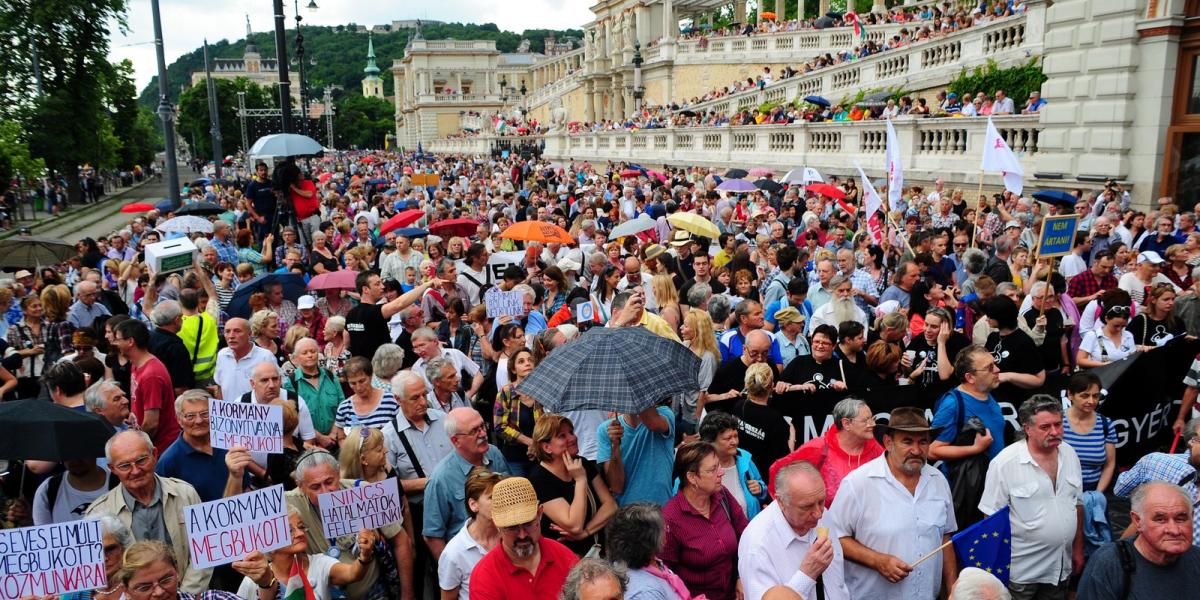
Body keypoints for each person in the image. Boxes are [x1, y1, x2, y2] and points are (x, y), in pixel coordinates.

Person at [827, 407, 958, 599]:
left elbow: (945, 539)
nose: (916, 450)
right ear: (888, 442)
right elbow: (834, 538)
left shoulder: (938, 480)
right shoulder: (858, 483)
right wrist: (877, 561)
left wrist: (953, 589)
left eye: (923, 442)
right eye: (907, 441)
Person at [978, 395, 1084, 599]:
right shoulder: (1004, 464)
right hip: (1020, 574)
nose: (1054, 432)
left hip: (1060, 569)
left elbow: (1077, 504)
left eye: (1058, 425)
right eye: (1046, 427)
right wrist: (996, 570)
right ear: (1027, 428)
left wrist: (1078, 548)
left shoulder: (1070, 454)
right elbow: (991, 522)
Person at [86, 430, 211, 592]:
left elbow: (203, 552)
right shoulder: (98, 513)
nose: (136, 470)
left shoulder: (185, 494)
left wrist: (185, 595)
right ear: (112, 468)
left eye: (141, 460)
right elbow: (101, 571)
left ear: (154, 455)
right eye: (125, 466)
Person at [283, 449, 415, 600]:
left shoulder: (363, 491)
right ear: (300, 485)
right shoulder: (289, 502)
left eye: (329, 482)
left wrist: (408, 594)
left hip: (372, 591)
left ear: (338, 474)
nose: (325, 491)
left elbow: (401, 541)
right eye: (315, 487)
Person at [738, 461, 851, 600]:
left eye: (821, 502)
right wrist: (806, 575)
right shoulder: (757, 545)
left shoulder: (823, 515)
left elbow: (837, 583)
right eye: (806, 507)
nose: (818, 514)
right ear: (781, 502)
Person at [1077, 482, 1200, 599]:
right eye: (1160, 519)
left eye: (1181, 519)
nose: (1174, 530)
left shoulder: (1196, 559)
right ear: (1137, 521)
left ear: (1192, 517)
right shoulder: (1109, 564)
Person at [661, 440, 749, 600]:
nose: (721, 472)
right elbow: (665, 575)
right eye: (713, 469)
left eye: (719, 466)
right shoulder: (670, 519)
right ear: (692, 477)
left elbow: (747, 535)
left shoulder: (723, 496)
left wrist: (741, 576)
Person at [467, 476, 580, 599]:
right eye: (512, 527)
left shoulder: (565, 557)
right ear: (496, 524)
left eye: (528, 524)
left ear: (540, 514)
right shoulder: (485, 577)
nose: (522, 535)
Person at [423, 407, 512, 561]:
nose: (483, 434)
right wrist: (453, 571)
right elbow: (432, 536)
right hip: (472, 561)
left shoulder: (495, 454)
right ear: (455, 440)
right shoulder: (440, 479)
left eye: (482, 426)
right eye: (474, 431)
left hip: (506, 550)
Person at [234, 506, 374, 600]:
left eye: (301, 527)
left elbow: (353, 573)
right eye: (290, 531)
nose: (300, 533)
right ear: (270, 543)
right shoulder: (253, 581)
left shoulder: (319, 563)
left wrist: (365, 555)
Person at [529, 413, 618, 556]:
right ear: (547, 447)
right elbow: (574, 525)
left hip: (599, 553)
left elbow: (611, 505)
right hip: (568, 562)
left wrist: (586, 532)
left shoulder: (582, 463)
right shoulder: (539, 479)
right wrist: (581, 480)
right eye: (562, 436)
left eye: (571, 432)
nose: (573, 438)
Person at [769, 397, 883, 506]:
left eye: (872, 419)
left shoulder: (877, 449)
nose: (872, 425)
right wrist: (784, 506)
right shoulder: (819, 448)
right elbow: (780, 471)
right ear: (846, 424)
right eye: (866, 420)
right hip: (825, 522)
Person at [113, 319, 180, 455]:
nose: (115, 343)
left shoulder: (151, 375)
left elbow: (151, 423)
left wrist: (136, 447)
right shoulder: (136, 365)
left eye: (118, 339)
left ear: (130, 341)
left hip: (160, 448)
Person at [154, 390, 233, 503]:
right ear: (179, 420)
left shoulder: (228, 443)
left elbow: (245, 487)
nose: (199, 421)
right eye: (190, 416)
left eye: (205, 414)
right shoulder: (168, 462)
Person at [438, 467, 504, 600]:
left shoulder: (512, 535)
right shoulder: (453, 553)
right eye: (492, 497)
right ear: (473, 505)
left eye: (501, 496)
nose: (500, 501)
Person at [596, 402, 675, 507]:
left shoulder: (665, 413)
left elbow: (653, 423)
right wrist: (615, 445)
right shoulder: (607, 429)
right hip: (627, 514)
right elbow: (616, 487)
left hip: (661, 509)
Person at [346, 271, 435, 360]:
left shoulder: (350, 314)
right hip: (379, 369)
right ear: (365, 289)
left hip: (361, 369)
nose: (382, 286)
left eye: (381, 283)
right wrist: (427, 285)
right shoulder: (373, 311)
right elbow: (399, 304)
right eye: (377, 284)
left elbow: (346, 343)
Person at [698, 411, 768, 519]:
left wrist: (760, 488)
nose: (734, 442)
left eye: (736, 436)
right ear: (710, 442)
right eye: (727, 438)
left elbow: (761, 485)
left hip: (747, 531)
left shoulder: (745, 459)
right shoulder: (696, 468)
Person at [1061, 371, 1117, 493]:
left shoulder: (1105, 424)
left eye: (1096, 396)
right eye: (1085, 396)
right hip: (1060, 490)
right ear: (1070, 394)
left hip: (1093, 489)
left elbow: (1109, 464)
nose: (1091, 401)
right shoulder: (1057, 422)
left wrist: (1097, 494)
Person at [58, 515, 134, 600]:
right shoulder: (71, 596)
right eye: (94, 551)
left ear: (123, 548)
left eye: (110, 549)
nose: (104, 558)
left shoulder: (139, 584)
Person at [332, 357, 399, 443]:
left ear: (371, 377)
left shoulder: (391, 401)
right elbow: (341, 438)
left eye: (362, 381)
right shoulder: (344, 408)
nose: (358, 387)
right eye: (353, 383)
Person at [677, 308, 721, 434]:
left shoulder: (707, 357)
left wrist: (697, 419)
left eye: (686, 326)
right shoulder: (685, 345)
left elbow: (703, 392)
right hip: (679, 407)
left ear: (697, 330)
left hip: (692, 413)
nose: (681, 328)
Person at [213, 317, 277, 402]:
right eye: (227, 331)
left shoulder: (265, 356)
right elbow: (220, 386)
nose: (231, 336)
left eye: (237, 331)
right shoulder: (222, 355)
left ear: (250, 334)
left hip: (257, 413)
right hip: (228, 413)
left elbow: (276, 388)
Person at [1076, 294, 1138, 368]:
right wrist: (1103, 365)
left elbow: (1132, 359)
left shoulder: (1128, 336)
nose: (1119, 329)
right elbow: (1080, 360)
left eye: (1123, 326)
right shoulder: (1093, 335)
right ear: (1106, 319)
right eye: (1116, 326)